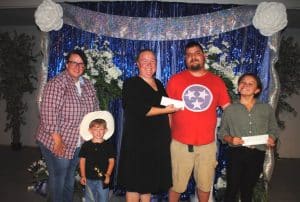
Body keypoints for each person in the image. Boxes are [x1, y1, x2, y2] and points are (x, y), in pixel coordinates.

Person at [166, 41, 231, 202]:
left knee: (205, 186)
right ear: (185, 59)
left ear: (204, 56)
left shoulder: (217, 82)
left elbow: (228, 110)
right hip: (180, 145)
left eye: (196, 53)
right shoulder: (175, 80)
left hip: (207, 146)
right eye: (188, 55)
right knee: (176, 185)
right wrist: (168, 135)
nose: (193, 57)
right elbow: (167, 111)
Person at [36, 49, 99, 202]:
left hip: (78, 140)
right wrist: (57, 140)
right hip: (58, 139)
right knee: (59, 177)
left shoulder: (88, 85)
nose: (78, 67)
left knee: (70, 177)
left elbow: (95, 109)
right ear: (66, 64)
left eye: (81, 64)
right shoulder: (57, 84)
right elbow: (48, 113)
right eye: (74, 63)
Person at [117, 49, 180, 202]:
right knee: (134, 183)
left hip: (156, 142)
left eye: (152, 61)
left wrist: (170, 131)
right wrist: (167, 109)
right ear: (137, 64)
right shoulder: (131, 83)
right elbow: (140, 109)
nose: (149, 64)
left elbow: (167, 106)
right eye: (145, 61)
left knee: (148, 183)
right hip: (137, 142)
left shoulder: (158, 83)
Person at [219, 73, 279, 202]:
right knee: (232, 188)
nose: (246, 85)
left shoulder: (266, 109)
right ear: (238, 87)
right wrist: (230, 139)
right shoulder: (230, 110)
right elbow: (222, 132)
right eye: (243, 82)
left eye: (250, 83)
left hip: (257, 153)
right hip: (236, 152)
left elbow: (274, 129)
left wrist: (272, 138)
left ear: (257, 90)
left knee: (248, 189)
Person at [79, 111, 116, 202]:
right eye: (95, 129)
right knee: (90, 198)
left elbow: (112, 161)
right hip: (89, 178)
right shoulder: (86, 145)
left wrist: (108, 174)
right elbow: (82, 161)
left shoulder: (109, 145)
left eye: (101, 129)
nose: (98, 132)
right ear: (90, 130)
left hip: (102, 179)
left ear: (105, 130)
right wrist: (83, 175)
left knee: (103, 199)